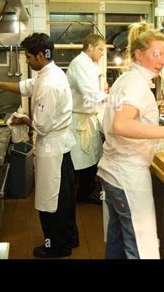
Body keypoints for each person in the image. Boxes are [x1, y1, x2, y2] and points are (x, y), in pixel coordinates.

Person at [0, 33, 79, 258]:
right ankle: (69, 239)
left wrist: (22, 119)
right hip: (61, 146)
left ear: (42, 55)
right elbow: (25, 87)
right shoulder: (49, 72)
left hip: (53, 148)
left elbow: (41, 127)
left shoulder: (49, 83)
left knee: (50, 199)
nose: (26, 60)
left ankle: (57, 246)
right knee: (63, 197)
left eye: (29, 57)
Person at [97, 22, 164, 259]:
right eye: (156, 54)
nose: (162, 60)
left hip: (112, 173)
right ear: (138, 54)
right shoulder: (136, 85)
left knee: (118, 240)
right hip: (128, 177)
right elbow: (121, 124)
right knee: (140, 248)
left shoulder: (126, 79)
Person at [66, 33, 107, 205]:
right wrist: (113, 99)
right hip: (79, 120)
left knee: (91, 159)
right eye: (100, 49)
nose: (102, 53)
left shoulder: (89, 64)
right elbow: (90, 94)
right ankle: (82, 195)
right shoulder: (80, 63)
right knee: (85, 160)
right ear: (89, 47)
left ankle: (85, 192)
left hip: (87, 117)